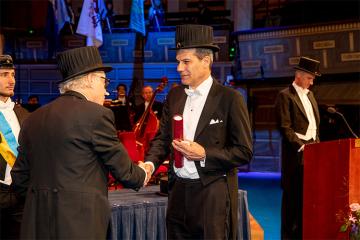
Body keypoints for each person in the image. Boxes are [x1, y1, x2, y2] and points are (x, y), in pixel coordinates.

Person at [10, 46, 149, 239]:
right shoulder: (97, 115)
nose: (106, 91)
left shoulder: (32, 119)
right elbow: (125, 172)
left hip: (36, 223)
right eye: (104, 81)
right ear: (90, 79)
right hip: (80, 225)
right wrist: (144, 173)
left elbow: (19, 179)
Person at [143, 24, 253, 239]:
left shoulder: (230, 98)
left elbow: (244, 151)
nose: (178, 68)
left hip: (211, 195)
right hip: (177, 193)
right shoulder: (174, 96)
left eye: (186, 62)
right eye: (178, 62)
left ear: (206, 61)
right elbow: (163, 138)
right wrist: (149, 164)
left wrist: (204, 154)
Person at [275, 56, 321, 239]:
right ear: (299, 75)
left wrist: (317, 147)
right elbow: (284, 127)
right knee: (291, 203)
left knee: (307, 200)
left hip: (314, 154)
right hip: (296, 155)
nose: (312, 81)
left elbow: (315, 126)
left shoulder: (311, 95)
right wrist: (302, 147)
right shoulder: (284, 95)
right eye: (310, 77)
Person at [0, 55, 30, 239]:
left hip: (20, 193)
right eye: (4, 74)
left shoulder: (23, 113)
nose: (11, 80)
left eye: (13, 74)